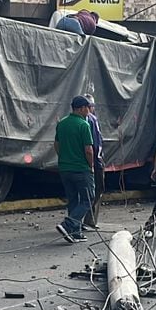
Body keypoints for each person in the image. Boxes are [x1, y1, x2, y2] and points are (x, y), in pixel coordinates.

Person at [54, 95, 96, 244]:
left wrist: (64, 157)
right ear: (82, 108)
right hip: (81, 168)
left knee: (73, 199)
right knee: (87, 199)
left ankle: (75, 233)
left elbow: (57, 145)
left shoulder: (62, 123)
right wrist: (91, 166)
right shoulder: (83, 125)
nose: (89, 110)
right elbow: (89, 150)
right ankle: (69, 224)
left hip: (65, 168)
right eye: (88, 107)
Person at [83, 95, 105, 231]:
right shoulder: (92, 119)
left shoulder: (70, 121)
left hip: (78, 163)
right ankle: (90, 220)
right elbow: (95, 144)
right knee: (97, 190)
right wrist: (97, 162)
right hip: (93, 161)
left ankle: (77, 221)